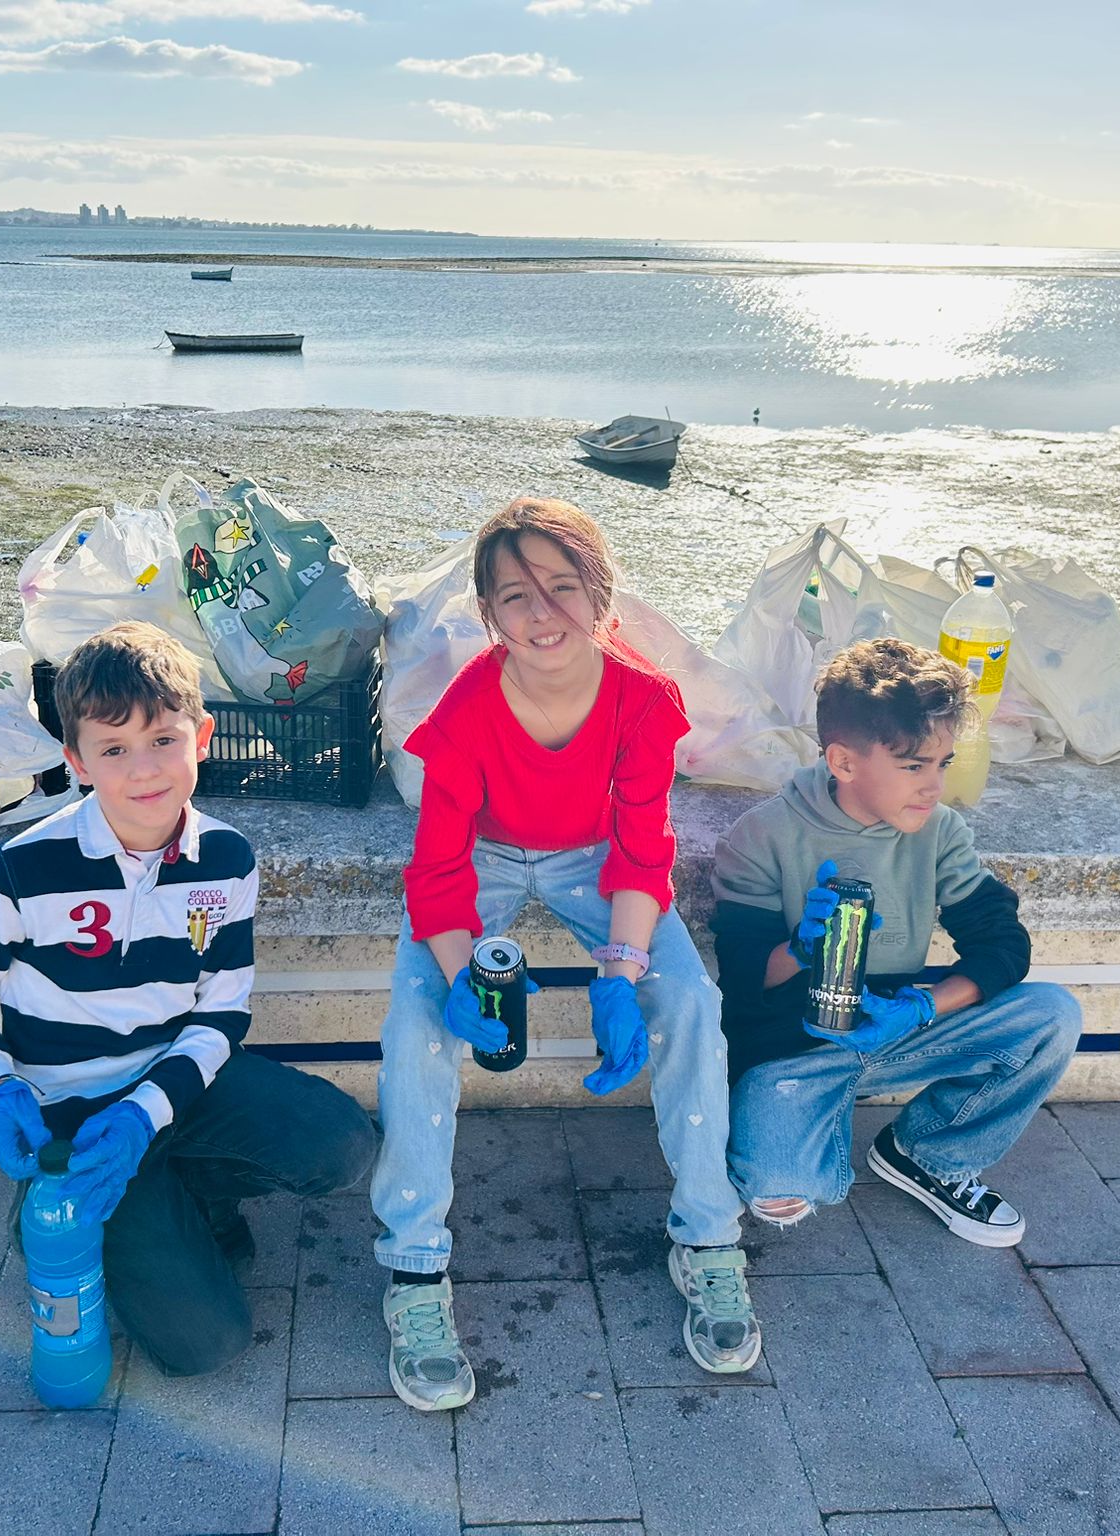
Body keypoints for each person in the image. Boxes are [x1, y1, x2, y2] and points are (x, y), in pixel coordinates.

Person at [373, 496, 754, 1413]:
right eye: (515, 595)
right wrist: (462, 977)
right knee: (417, 1021)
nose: (542, 613)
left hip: (598, 862)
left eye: (562, 586)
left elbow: (641, 848)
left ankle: (708, 1240)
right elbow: (435, 865)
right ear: (490, 614)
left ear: (600, 592)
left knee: (690, 1002)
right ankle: (416, 1272)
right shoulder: (465, 709)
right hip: (486, 859)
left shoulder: (642, 697)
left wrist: (621, 976)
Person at [0, 621, 375, 1376]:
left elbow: (222, 1012)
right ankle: (60, 1204)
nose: (144, 769)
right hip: (71, 1111)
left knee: (343, 1144)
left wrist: (147, 1110)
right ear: (76, 763)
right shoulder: (18, 868)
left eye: (164, 739)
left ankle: (181, 1195)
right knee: (209, 1348)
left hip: (176, 1086)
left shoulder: (228, 858)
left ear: (202, 736)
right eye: (113, 749)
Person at [710, 637, 1081, 1249]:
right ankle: (812, 1116)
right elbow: (745, 980)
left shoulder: (941, 832)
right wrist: (802, 950)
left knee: (1052, 1014)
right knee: (776, 1195)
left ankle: (929, 1153)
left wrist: (927, 1005)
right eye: (913, 766)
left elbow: (1003, 944)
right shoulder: (759, 837)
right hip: (797, 1047)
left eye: (942, 763)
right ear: (844, 761)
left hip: (902, 1025)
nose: (933, 786)